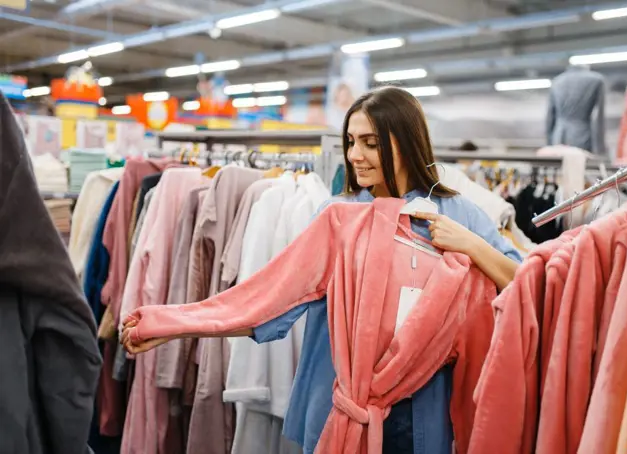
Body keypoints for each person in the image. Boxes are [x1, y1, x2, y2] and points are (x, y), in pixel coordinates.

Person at [123, 86, 521, 454]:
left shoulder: (458, 214)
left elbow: (520, 286)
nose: (354, 156)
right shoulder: (338, 217)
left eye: (370, 143)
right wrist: (171, 324)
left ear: (407, 142)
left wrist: (470, 244)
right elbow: (269, 302)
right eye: (351, 142)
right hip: (341, 410)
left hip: (426, 413)